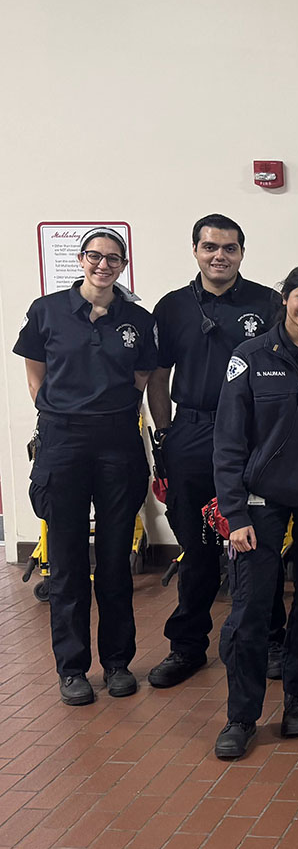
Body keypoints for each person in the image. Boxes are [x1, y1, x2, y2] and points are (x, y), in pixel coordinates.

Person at [212, 265, 298, 759]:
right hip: (258, 507)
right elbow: (228, 443)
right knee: (250, 610)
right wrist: (235, 514)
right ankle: (241, 717)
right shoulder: (248, 358)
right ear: (285, 297)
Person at [15, 227, 156, 705]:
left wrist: (110, 407)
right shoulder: (48, 310)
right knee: (69, 559)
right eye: (95, 256)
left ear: (123, 265)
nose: (103, 265)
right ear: (80, 259)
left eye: (113, 258)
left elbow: (143, 376)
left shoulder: (136, 318)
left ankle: (117, 663)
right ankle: (72, 668)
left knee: (116, 558)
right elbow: (34, 369)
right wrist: (57, 408)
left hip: (118, 440)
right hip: (63, 441)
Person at [146, 214, 286, 690]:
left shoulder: (269, 303)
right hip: (192, 430)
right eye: (210, 247)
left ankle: (270, 639)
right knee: (198, 547)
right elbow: (158, 375)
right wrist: (166, 433)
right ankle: (187, 646)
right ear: (195, 250)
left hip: (253, 437)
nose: (219, 256)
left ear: (242, 253)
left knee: (260, 543)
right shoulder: (170, 307)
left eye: (229, 248)